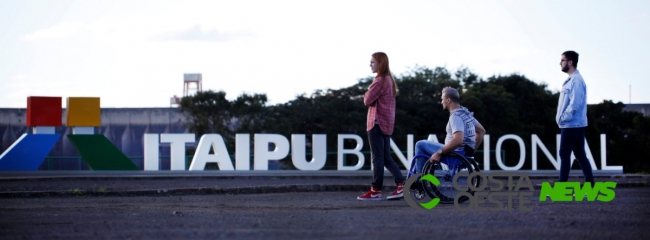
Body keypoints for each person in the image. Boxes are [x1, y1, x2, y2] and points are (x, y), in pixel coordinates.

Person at [408, 87, 486, 181]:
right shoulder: (465, 113)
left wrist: (439, 152)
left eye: (442, 99)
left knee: (420, 145)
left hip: (454, 155)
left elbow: (458, 140)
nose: (441, 102)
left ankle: (418, 181)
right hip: (463, 154)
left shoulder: (455, 116)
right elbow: (482, 131)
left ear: (448, 100)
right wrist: (470, 152)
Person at [357, 52, 405, 201]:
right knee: (386, 157)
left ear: (380, 63)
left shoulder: (379, 81)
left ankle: (375, 190)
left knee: (377, 158)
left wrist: (368, 90)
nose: (370, 65)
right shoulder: (390, 80)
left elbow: (367, 100)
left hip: (376, 123)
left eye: (372, 62)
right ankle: (401, 185)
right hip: (387, 123)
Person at [556, 50, 595, 186]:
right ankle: (590, 185)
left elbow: (575, 103)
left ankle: (561, 188)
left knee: (564, 154)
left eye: (562, 60)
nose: (560, 63)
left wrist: (564, 117)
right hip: (575, 124)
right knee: (579, 154)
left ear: (570, 62)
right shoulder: (573, 79)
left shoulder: (576, 80)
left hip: (571, 124)